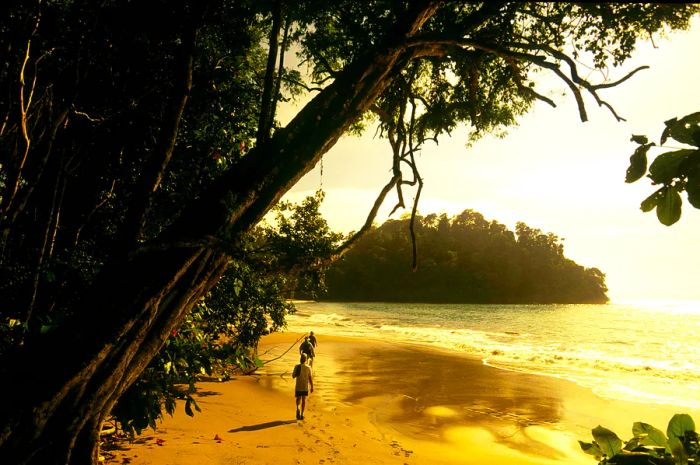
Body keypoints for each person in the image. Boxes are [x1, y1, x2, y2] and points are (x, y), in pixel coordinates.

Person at [292, 353, 313, 420]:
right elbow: (310, 378)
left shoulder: (297, 366)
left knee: (298, 399)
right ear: (306, 360)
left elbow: (293, 376)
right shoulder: (308, 368)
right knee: (304, 400)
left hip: (298, 385)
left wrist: (297, 373)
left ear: (300, 359)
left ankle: (298, 408)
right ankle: (302, 414)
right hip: (305, 386)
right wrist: (312, 386)